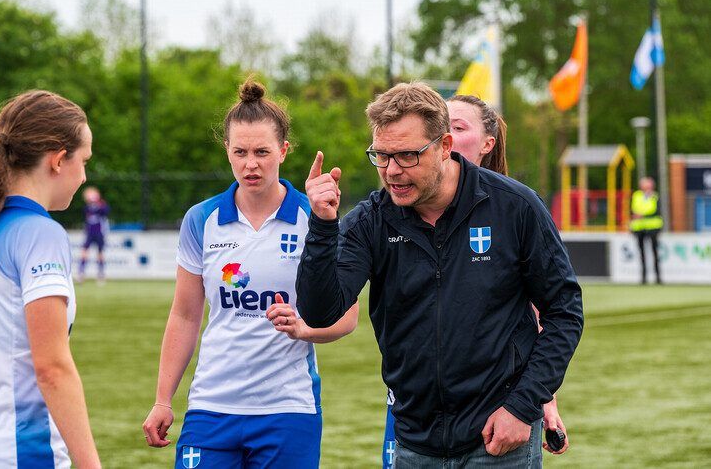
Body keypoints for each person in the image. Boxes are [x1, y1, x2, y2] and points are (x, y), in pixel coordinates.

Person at [297, 82, 583, 467]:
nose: (392, 171)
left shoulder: (514, 206)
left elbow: (564, 311)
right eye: (381, 156)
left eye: (407, 156)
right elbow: (320, 312)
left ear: (444, 146)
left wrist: (523, 405)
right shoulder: (371, 219)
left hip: (500, 439)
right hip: (414, 442)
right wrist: (322, 225)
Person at [141, 79, 357, 468]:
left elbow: (348, 316)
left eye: (262, 151)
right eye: (239, 151)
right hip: (211, 406)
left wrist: (304, 329)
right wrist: (162, 399)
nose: (250, 163)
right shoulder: (201, 219)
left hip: (289, 409)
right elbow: (185, 315)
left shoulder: (315, 218)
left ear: (284, 151)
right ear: (227, 150)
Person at [379, 95, 569, 467]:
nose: (444, 134)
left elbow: (544, 313)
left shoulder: (514, 206)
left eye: (456, 127)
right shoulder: (394, 210)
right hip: (418, 425)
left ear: (487, 144)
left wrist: (536, 399)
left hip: (500, 417)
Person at [0, 90, 100, 468]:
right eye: (84, 160)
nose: (85, 175)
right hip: (23, 454)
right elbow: (52, 368)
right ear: (59, 159)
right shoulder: (38, 234)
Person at [630, 176, 663, 284]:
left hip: (653, 228)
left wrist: (642, 215)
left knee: (655, 253)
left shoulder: (655, 196)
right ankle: (643, 278)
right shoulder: (637, 195)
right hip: (640, 228)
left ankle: (658, 278)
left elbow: (656, 211)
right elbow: (633, 209)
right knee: (642, 254)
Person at [78, 186, 109, 284]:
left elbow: (105, 211)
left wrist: (98, 203)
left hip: (99, 233)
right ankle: (81, 273)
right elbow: (86, 214)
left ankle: (101, 274)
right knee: (84, 252)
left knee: (100, 253)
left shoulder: (102, 206)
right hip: (89, 233)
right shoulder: (87, 208)